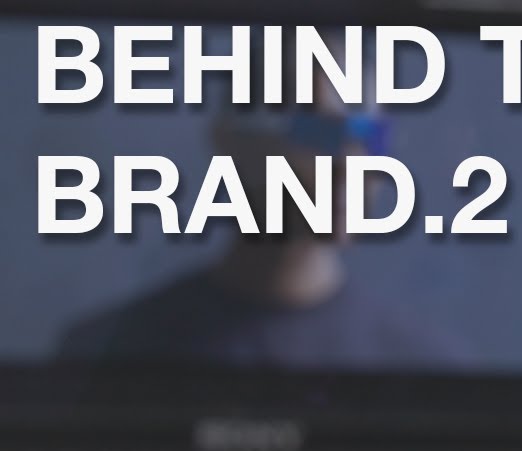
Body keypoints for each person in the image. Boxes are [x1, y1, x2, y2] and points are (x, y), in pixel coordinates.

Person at [57, 44, 467, 369]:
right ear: (232, 140)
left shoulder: (425, 371)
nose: (349, 164)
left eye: (368, 137)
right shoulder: (105, 358)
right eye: (319, 133)